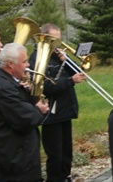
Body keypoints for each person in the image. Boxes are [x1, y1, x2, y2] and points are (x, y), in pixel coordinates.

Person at [29, 23, 87, 182]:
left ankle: (66, 176)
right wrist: (69, 81)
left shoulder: (58, 56)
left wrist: (66, 59)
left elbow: (80, 73)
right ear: (45, 39)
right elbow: (43, 86)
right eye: (54, 40)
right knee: (55, 155)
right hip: (51, 113)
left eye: (59, 40)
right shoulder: (38, 58)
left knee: (66, 152)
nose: (58, 44)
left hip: (65, 110)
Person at [0, 43, 50, 182]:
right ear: (10, 64)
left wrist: (31, 93)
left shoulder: (8, 82)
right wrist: (40, 109)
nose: (28, 65)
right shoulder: (3, 87)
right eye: (24, 61)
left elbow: (24, 105)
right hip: (13, 161)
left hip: (19, 156)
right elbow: (26, 119)